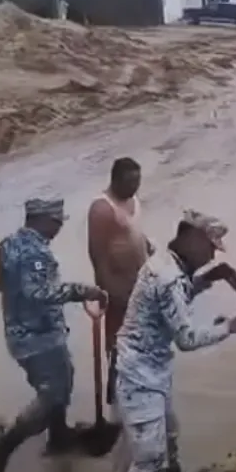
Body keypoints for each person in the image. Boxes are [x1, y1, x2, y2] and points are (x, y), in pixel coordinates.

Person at [115, 209, 236, 472]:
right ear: (193, 239)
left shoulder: (166, 263)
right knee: (149, 462)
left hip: (151, 368)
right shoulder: (168, 278)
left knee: (169, 438)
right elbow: (187, 338)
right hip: (139, 376)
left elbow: (171, 302)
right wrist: (231, 326)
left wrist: (201, 283)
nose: (212, 257)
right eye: (210, 249)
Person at [0, 198, 109, 472]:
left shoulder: (9, 243)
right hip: (38, 337)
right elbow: (38, 292)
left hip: (21, 332)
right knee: (52, 394)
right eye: (57, 221)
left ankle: (59, 437)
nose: (60, 227)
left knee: (62, 379)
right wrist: (81, 291)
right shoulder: (36, 252)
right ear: (44, 220)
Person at [88, 157, 153, 407]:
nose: (135, 187)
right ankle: (116, 398)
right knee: (118, 346)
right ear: (115, 180)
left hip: (140, 283)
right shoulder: (102, 209)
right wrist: (111, 292)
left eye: (138, 181)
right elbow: (98, 256)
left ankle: (138, 390)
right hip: (118, 288)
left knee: (141, 342)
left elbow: (133, 231)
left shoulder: (133, 200)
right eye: (129, 182)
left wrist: (147, 245)